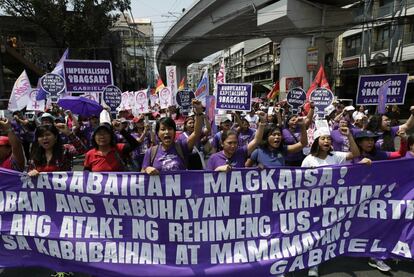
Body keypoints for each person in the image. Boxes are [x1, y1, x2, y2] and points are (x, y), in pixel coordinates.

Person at [301, 127, 360, 277]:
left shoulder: (336, 156)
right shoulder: (308, 160)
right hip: (315, 203)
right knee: (314, 232)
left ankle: (321, 258)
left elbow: (355, 154)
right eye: (323, 138)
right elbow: (300, 183)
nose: (326, 141)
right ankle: (312, 264)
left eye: (328, 138)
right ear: (316, 141)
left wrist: (349, 136)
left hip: (333, 202)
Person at [141, 99, 204, 175]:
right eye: (163, 129)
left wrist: (198, 112)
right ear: (157, 133)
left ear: (174, 132)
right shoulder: (151, 152)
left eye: (170, 129)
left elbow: (196, 133)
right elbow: (142, 174)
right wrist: (147, 169)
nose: (167, 132)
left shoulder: (182, 146)